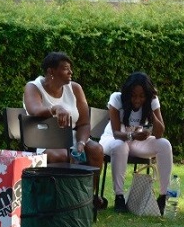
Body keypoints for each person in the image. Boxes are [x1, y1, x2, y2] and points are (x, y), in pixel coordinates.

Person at [23, 51, 106, 209]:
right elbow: (35, 110)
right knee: (60, 154)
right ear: (51, 71)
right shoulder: (33, 87)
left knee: (96, 149)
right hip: (43, 136)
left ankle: (87, 199)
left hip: (71, 136)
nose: (71, 72)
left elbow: (83, 123)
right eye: (66, 68)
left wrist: (81, 142)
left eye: (70, 68)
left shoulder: (75, 88)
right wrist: (55, 108)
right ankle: (61, 201)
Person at [99, 72, 173, 214]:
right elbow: (116, 133)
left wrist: (151, 113)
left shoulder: (152, 101)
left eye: (141, 96)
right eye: (133, 95)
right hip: (113, 139)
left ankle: (163, 197)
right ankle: (119, 197)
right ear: (127, 93)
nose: (137, 100)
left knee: (164, 144)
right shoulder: (117, 99)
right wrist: (132, 135)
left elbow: (159, 133)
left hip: (136, 140)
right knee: (120, 146)